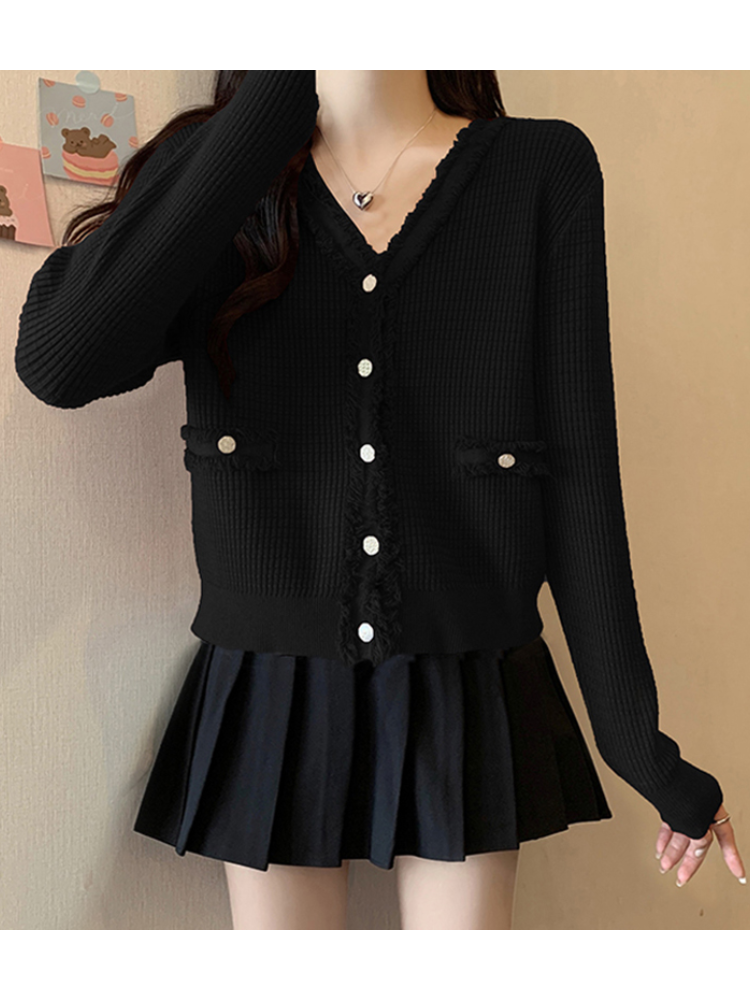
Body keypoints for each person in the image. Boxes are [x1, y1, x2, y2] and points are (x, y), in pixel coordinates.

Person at [14, 70, 745, 930]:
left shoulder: (540, 167)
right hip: (268, 686)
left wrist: (640, 748)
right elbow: (61, 363)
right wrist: (270, 106)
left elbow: (579, 470)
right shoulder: (229, 162)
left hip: (468, 678)